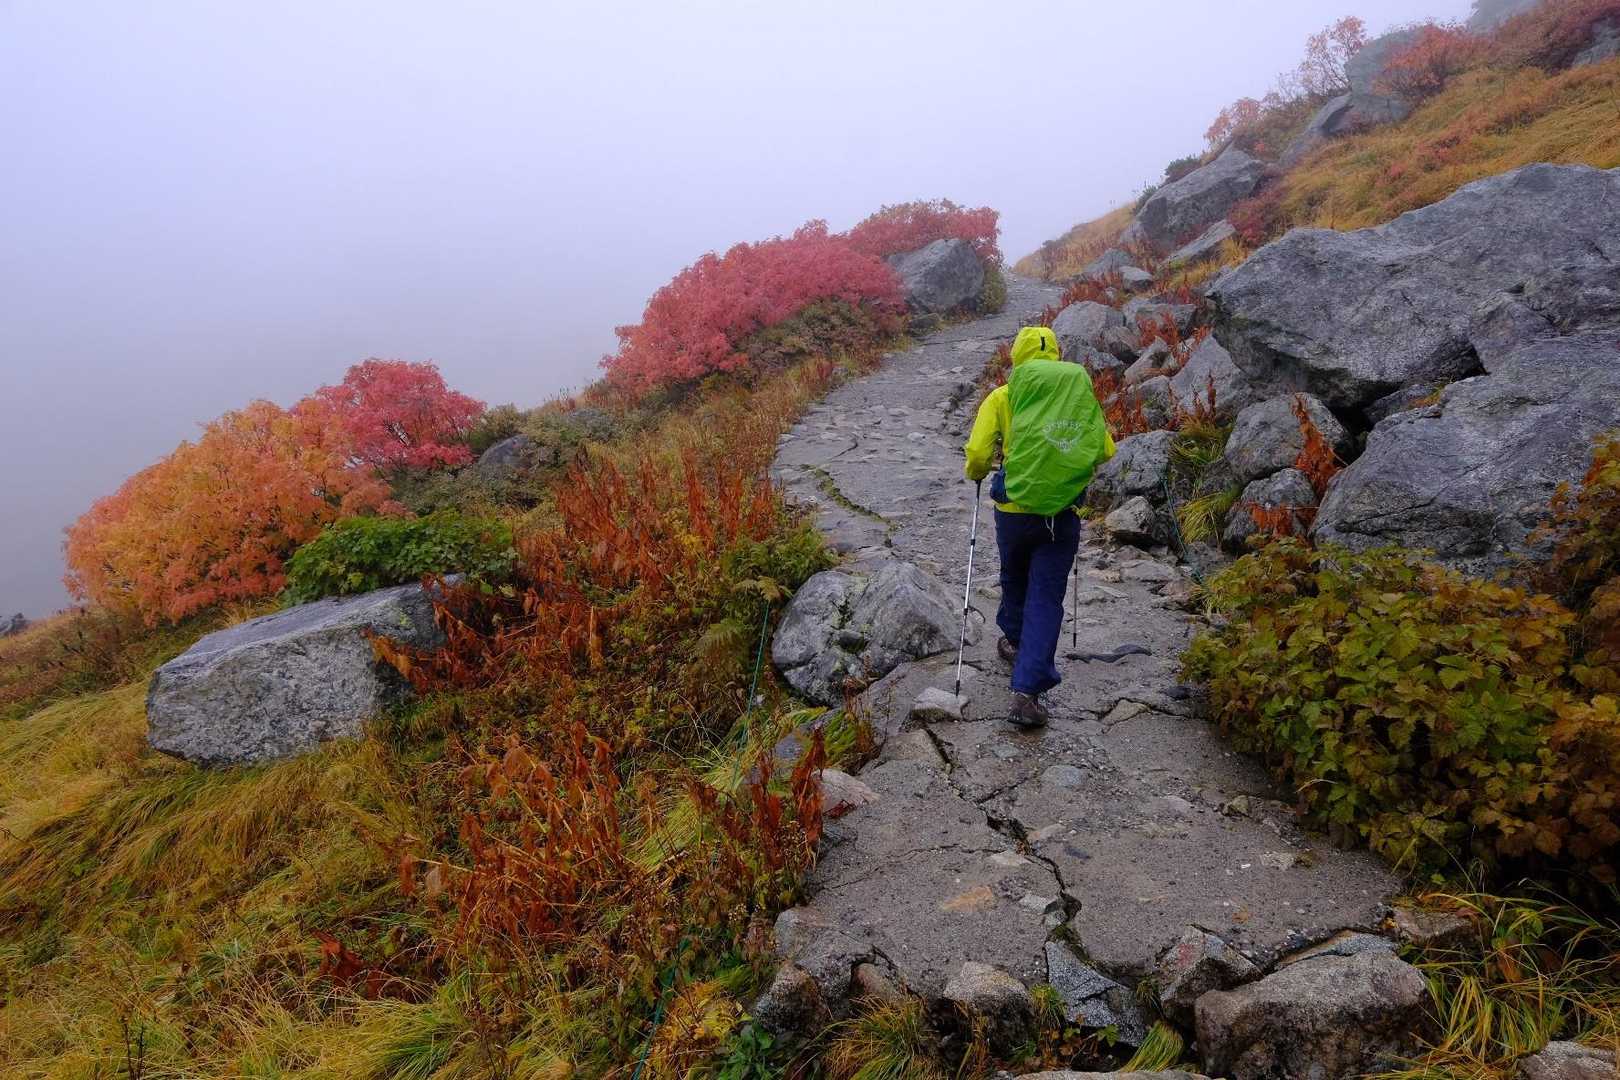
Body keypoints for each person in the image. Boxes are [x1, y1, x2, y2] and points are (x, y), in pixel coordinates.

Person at [963, 325, 1116, 728]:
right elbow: (1104, 449)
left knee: (1013, 576)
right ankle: (1027, 693)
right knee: (1046, 597)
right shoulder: (1075, 394)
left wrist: (976, 471)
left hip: (1013, 510)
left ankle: (1014, 640)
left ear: (1017, 356)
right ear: (1055, 354)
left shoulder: (1003, 395)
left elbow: (978, 452)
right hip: (1061, 514)